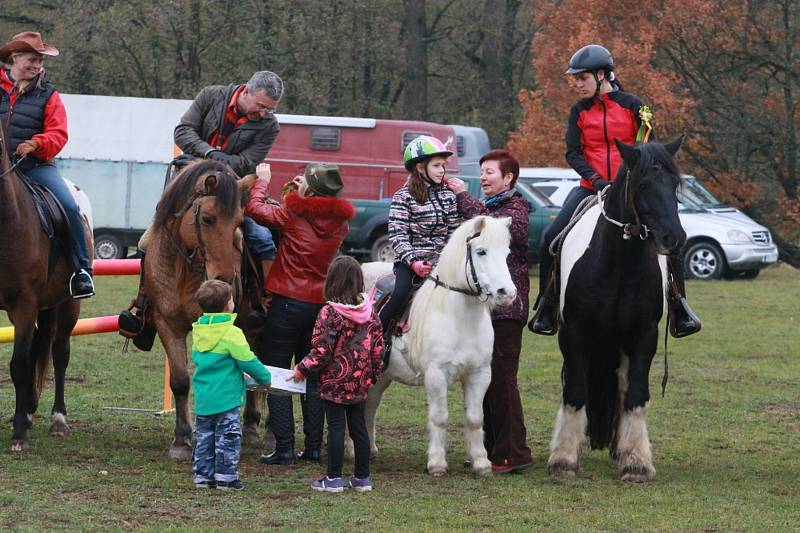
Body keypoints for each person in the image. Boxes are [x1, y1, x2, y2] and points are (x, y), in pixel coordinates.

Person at [528, 44, 701, 338]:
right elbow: (573, 153)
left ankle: (679, 306)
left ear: (601, 75)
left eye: (582, 78)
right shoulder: (578, 111)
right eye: (576, 79)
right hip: (591, 188)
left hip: (632, 191)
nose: (577, 84)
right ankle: (547, 306)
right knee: (551, 238)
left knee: (670, 235)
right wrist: (596, 180)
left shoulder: (634, 106)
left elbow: (650, 152)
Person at [119, 70, 283, 343]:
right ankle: (145, 309)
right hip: (187, 190)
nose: (264, 113)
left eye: (270, 109)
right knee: (148, 242)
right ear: (247, 92)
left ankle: (260, 305)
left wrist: (215, 162)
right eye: (261, 105)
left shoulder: (270, 126)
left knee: (262, 239)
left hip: (231, 197)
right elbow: (183, 131)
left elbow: (248, 161)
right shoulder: (211, 95)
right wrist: (209, 154)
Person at [246, 161, 355, 465]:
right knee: (312, 376)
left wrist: (263, 181)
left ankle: (283, 448)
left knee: (279, 373)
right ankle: (312, 448)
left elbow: (255, 209)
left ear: (310, 188)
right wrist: (303, 191)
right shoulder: (341, 224)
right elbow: (312, 218)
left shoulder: (292, 212)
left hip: (286, 303)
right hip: (320, 306)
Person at [446, 150, 533, 473]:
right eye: (481, 172)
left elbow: (508, 232)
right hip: (484, 311)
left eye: (490, 173)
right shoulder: (492, 208)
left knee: (502, 381)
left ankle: (514, 453)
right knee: (484, 380)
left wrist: (462, 196)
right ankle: (493, 449)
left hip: (507, 309)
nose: (483, 177)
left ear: (508, 177)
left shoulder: (516, 208)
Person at [0, 31, 94, 298]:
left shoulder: (49, 95)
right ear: (14, 58)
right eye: (32, 59)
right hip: (0, 169)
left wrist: (37, 144)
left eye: (40, 61)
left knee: (68, 205)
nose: (37, 65)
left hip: (36, 167)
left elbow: (59, 133)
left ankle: (81, 271)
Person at [289, 256, 384, 492]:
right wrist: (372, 376)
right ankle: (362, 478)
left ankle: (333, 479)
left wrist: (302, 369)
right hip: (360, 381)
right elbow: (379, 349)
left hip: (334, 382)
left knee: (336, 427)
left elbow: (322, 351)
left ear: (331, 281)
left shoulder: (329, 313)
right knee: (359, 428)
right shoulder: (371, 313)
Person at [190, 279, 272, 491]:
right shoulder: (231, 333)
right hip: (227, 400)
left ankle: (203, 477)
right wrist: (264, 377)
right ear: (229, 305)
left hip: (203, 399)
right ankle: (226, 478)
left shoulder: (199, 331)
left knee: (204, 440)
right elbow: (248, 361)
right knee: (228, 439)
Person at [378, 135, 461, 339]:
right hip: (411, 263)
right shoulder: (403, 197)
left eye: (443, 165)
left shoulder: (449, 196)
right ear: (420, 168)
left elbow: (453, 231)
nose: (442, 170)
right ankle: (375, 338)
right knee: (398, 296)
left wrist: (448, 258)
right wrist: (414, 262)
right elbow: (398, 235)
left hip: (442, 262)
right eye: (436, 165)